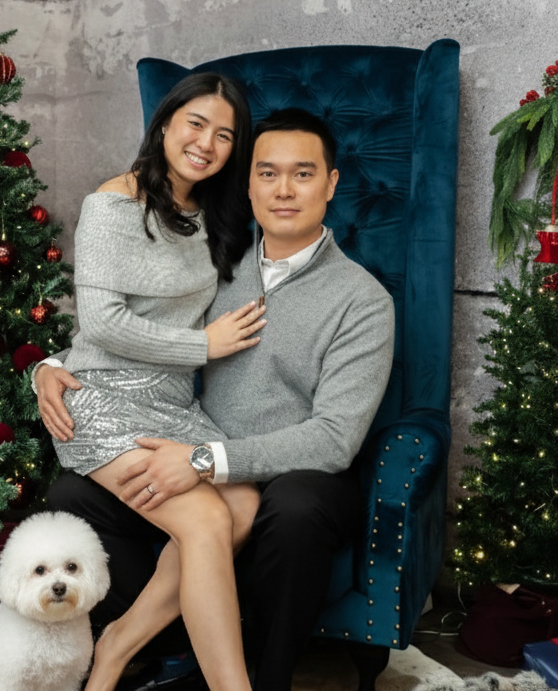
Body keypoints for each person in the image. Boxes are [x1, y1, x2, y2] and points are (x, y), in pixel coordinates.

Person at [37, 107, 396, 690]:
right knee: (73, 490)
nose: (283, 190)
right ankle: (137, 643)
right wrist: (49, 367)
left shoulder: (363, 301)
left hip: (298, 470)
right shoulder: (219, 269)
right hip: (200, 442)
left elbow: (334, 439)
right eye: (268, 173)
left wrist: (202, 461)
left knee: (294, 506)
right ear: (248, 183)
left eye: (303, 175)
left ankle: (261, 676)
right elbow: (134, 328)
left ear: (331, 184)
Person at [45, 72, 268, 691]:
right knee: (204, 521)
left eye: (225, 135)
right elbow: (102, 324)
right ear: (165, 123)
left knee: (243, 505)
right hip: (103, 400)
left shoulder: (216, 215)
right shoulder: (111, 205)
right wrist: (205, 344)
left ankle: (117, 644)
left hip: (173, 405)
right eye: (196, 124)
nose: (207, 143)